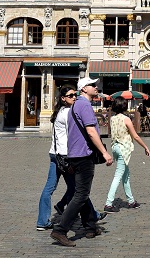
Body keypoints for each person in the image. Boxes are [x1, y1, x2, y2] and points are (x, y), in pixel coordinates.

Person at [50, 78, 113, 247]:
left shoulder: (75, 105)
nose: (96, 87)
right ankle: (60, 230)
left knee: (81, 192)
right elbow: (91, 132)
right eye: (93, 85)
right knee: (81, 195)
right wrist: (105, 152)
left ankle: (90, 226)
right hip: (83, 155)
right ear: (84, 89)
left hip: (74, 155)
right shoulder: (84, 105)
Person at [37, 85, 105, 231]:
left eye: (75, 95)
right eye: (71, 95)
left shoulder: (59, 112)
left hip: (55, 154)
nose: (74, 97)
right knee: (78, 190)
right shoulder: (69, 113)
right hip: (66, 156)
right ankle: (89, 216)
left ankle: (43, 220)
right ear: (63, 98)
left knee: (54, 188)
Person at [104, 97, 150, 212]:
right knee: (118, 176)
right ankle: (108, 203)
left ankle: (131, 201)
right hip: (123, 148)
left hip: (115, 147)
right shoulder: (126, 119)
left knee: (126, 176)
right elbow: (135, 136)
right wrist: (145, 146)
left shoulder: (112, 118)